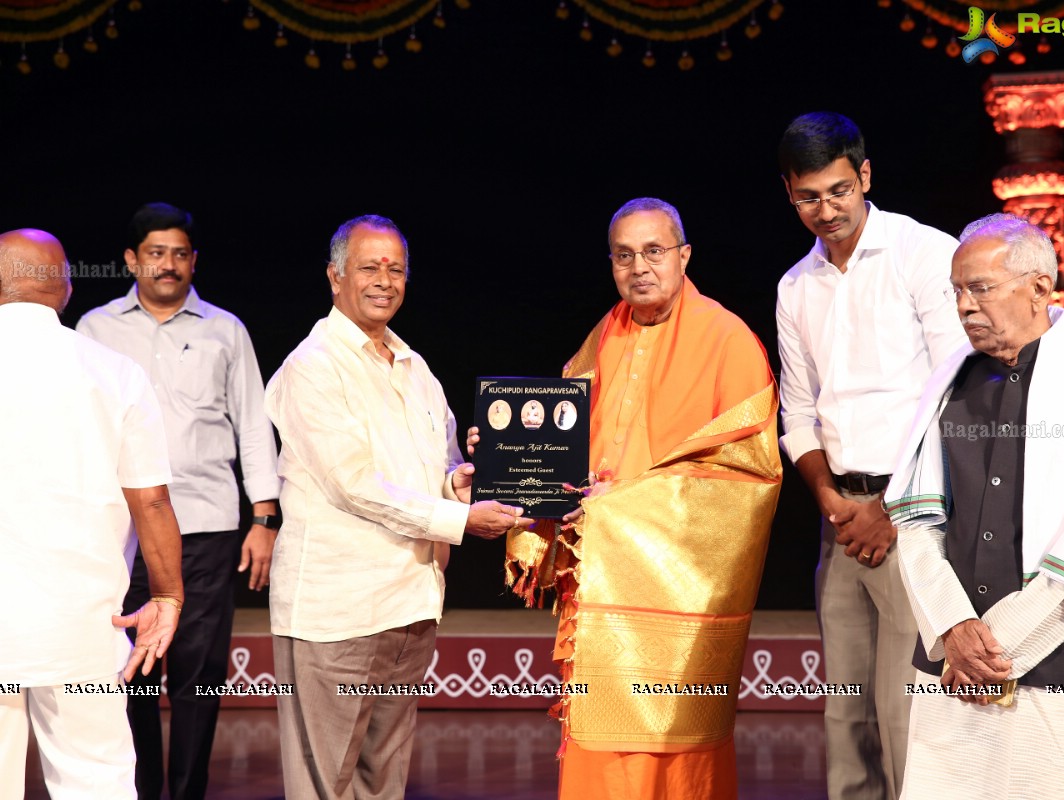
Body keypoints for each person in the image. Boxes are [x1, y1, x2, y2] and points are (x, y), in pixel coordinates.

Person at [496, 197, 781, 799]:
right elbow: (561, 444)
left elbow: (747, 475)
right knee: (597, 745)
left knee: (672, 749)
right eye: (623, 255)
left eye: (653, 252)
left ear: (684, 256)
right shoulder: (606, 333)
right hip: (600, 581)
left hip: (678, 591)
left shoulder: (727, 339)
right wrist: (507, 452)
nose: (639, 267)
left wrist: (619, 506)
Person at [884, 214, 1064, 798]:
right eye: (956, 290)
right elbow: (914, 523)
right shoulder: (947, 385)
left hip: (1057, 663)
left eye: (979, 288)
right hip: (951, 662)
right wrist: (954, 629)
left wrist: (991, 649)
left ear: (1039, 288)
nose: (963, 307)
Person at [264, 214, 533, 799]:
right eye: (369, 267)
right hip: (336, 612)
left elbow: (433, 475)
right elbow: (353, 485)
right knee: (322, 785)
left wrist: (465, 480)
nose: (384, 280)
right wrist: (460, 520)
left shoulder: (417, 370)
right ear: (335, 277)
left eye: (396, 268)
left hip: (408, 603)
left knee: (383, 781)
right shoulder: (312, 368)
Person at [774, 111, 966, 800]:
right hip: (841, 523)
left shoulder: (923, 254)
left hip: (912, 518)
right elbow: (797, 411)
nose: (825, 211)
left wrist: (889, 509)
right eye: (807, 197)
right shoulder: (795, 287)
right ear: (790, 194)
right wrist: (829, 499)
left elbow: (952, 394)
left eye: (837, 191)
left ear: (865, 176)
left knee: (904, 711)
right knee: (843, 712)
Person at [76, 203, 281, 800]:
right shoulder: (95, 329)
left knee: (200, 671)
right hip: (126, 534)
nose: (168, 265)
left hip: (207, 528)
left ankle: (188, 792)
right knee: (133, 668)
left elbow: (251, 425)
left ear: (194, 261)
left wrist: (264, 516)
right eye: (156, 253)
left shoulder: (225, 331)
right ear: (131, 260)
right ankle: (140, 789)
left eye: (180, 254)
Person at [0, 229, 184, 798]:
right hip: (83, 624)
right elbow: (150, 498)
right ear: (66, 290)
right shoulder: (115, 372)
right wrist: (168, 595)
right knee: (96, 780)